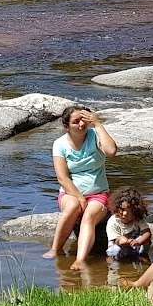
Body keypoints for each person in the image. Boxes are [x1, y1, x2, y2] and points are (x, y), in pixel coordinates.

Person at [43, 107, 117, 270]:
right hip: (71, 193)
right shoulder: (60, 144)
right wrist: (80, 197)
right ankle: (56, 249)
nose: (81, 124)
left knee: (89, 216)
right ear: (67, 126)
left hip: (98, 193)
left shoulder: (95, 136)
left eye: (84, 119)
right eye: (76, 121)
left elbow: (111, 151)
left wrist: (97, 124)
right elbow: (62, 178)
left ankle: (80, 259)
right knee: (72, 207)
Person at [106, 187, 152, 260]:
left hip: (135, 245)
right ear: (117, 207)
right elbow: (118, 240)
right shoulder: (113, 221)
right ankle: (114, 263)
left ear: (135, 211)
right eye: (122, 210)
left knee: (146, 241)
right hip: (118, 247)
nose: (125, 214)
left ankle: (143, 256)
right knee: (114, 250)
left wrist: (139, 241)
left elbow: (147, 233)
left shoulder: (137, 219)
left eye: (129, 211)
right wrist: (126, 241)